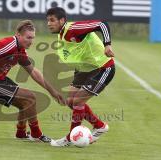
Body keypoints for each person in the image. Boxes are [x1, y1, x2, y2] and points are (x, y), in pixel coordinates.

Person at [0, 20, 65, 142]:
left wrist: (52, 91)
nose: (31, 41)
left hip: (0, 80)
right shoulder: (9, 44)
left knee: (25, 103)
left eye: (33, 38)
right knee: (30, 97)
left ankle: (21, 133)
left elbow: (34, 72)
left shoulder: (21, 50)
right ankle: (36, 134)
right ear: (18, 35)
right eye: (28, 37)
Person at [46, 7, 116, 146]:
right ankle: (100, 126)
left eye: (52, 20)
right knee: (71, 101)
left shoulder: (73, 28)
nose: (48, 23)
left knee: (78, 101)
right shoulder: (61, 33)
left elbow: (102, 24)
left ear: (62, 20)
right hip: (84, 69)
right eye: (47, 20)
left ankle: (71, 139)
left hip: (102, 67)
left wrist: (107, 45)